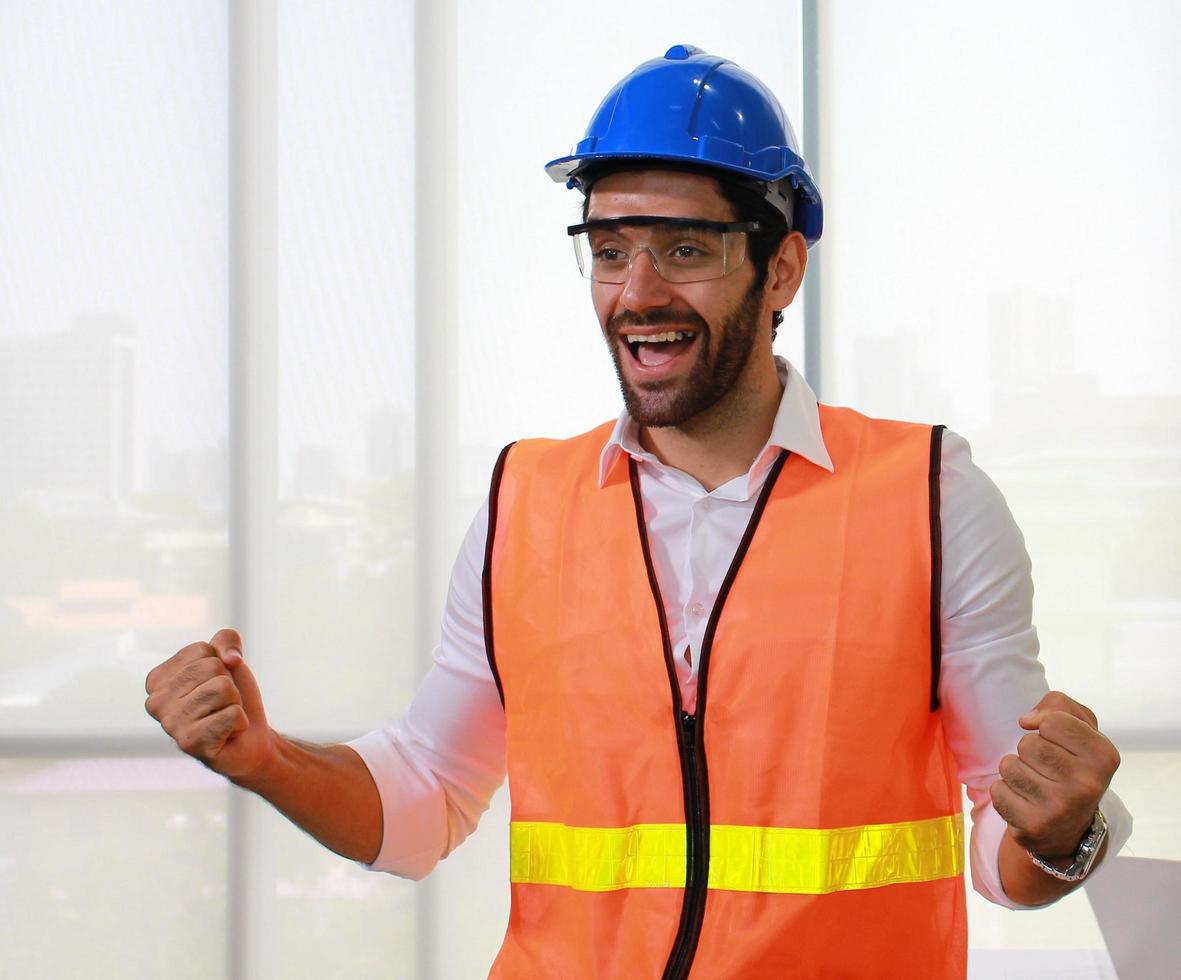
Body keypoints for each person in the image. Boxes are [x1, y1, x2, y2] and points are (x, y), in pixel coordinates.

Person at [145, 45, 1130, 978]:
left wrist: (1059, 829)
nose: (638, 293)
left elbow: (1006, 842)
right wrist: (265, 760)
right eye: (609, 251)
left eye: (684, 248)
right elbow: (423, 797)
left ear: (780, 268)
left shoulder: (927, 492)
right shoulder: (519, 501)